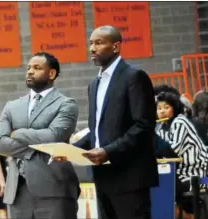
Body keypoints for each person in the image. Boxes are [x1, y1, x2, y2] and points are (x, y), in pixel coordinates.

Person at [73, 25, 158, 219]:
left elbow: (143, 125)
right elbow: (97, 131)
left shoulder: (134, 77)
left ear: (116, 47)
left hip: (130, 176)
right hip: (104, 176)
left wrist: (109, 151)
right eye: (91, 43)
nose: (92, 48)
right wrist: (71, 150)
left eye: (99, 43)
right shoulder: (94, 84)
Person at [0, 52, 80, 219]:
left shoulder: (66, 104)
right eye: (28, 68)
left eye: (37, 68)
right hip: (18, 192)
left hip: (54, 187)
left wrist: (16, 133)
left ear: (52, 73)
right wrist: (36, 147)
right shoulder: (11, 106)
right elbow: (0, 143)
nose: (30, 71)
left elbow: (53, 136)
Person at [156, 92, 208, 212]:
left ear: (174, 108)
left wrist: (152, 137)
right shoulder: (161, 127)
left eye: (166, 107)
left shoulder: (180, 122)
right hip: (179, 173)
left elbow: (172, 152)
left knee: (162, 183)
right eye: (159, 108)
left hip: (195, 175)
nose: (162, 111)